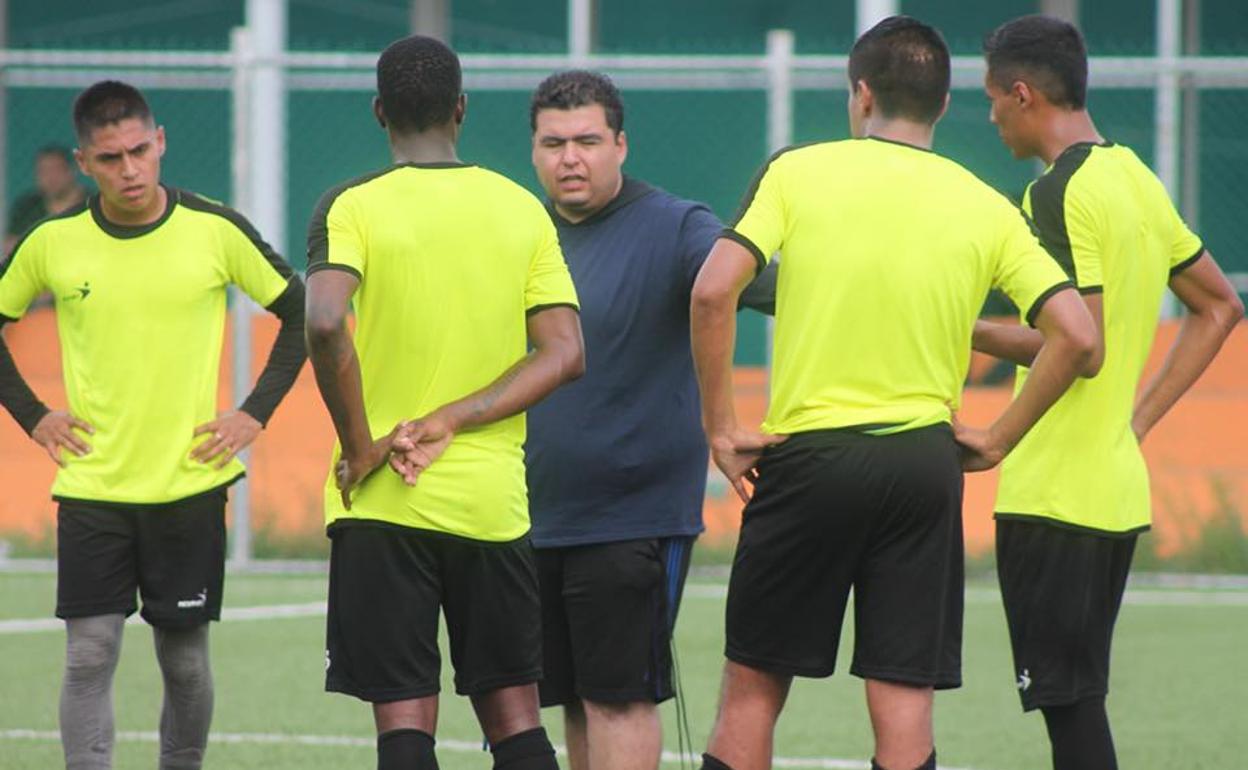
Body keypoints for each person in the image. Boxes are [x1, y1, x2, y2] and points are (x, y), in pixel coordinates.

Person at [688, 16, 1102, 770]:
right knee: (904, 696)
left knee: (754, 686)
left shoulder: (799, 172)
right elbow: (1077, 337)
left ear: (862, 94)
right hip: (923, 463)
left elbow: (714, 291)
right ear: (944, 106)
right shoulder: (983, 202)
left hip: (806, 459)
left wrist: (721, 427)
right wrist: (1001, 435)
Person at [0, 81, 306, 770]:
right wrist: (34, 416)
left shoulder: (215, 229)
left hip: (189, 483)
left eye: (140, 150)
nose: (130, 169)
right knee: (88, 652)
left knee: (185, 661)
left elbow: (302, 314)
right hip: (94, 485)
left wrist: (253, 414)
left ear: (161, 140)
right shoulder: (53, 243)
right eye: (110, 158)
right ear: (84, 162)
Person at [304, 35, 584, 770]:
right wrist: (453, 419)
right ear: (461, 109)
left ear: (378, 113)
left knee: (404, 725)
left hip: (385, 503)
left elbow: (326, 321)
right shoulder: (522, 209)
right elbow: (564, 352)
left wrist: (364, 446)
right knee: (516, 721)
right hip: (490, 503)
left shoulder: (351, 207)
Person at [977, 16, 1243, 770]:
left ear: (1023, 95)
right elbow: (1220, 306)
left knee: (1071, 714)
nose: (991, 113)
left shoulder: (1053, 196)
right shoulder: (1135, 178)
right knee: (1077, 705)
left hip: (1052, 494)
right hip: (1114, 491)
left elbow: (1076, 343)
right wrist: (1139, 419)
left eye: (994, 97)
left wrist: (971, 337)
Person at [524, 70, 776, 770]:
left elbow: (756, 286)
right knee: (573, 698)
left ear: (621, 145)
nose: (571, 157)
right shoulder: (520, 231)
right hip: (531, 514)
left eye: (588, 141)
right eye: (554, 143)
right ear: (534, 152)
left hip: (632, 516)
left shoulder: (676, 225)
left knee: (619, 700)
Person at [4, 144, 88, 256]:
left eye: (56, 170)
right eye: (43, 171)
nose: (50, 177)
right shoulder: (27, 206)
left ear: (72, 171)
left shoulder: (92, 203)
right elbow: (11, 247)